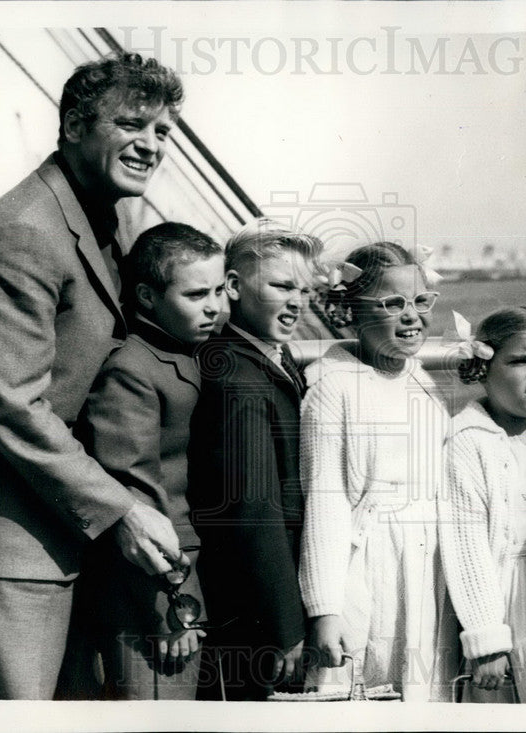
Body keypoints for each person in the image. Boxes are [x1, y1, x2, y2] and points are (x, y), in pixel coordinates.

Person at [0, 53, 188, 699]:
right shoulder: (23, 232)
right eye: (131, 124)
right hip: (1, 539)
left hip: (56, 529)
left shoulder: (97, 216)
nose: (150, 145)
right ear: (73, 125)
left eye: (162, 131)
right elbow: (11, 403)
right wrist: (121, 509)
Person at [67, 222, 225, 700]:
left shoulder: (180, 354)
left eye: (220, 290)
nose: (214, 306)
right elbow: (140, 500)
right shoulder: (131, 370)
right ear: (147, 297)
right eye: (196, 294)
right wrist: (174, 608)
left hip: (178, 585)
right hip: (155, 598)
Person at [298, 241, 458, 702]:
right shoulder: (333, 389)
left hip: (424, 562)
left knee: (423, 687)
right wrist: (325, 609)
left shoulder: (420, 380)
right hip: (369, 564)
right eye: (392, 304)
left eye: (421, 301)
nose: (412, 316)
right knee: (365, 682)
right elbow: (326, 501)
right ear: (351, 309)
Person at [187, 218, 323, 701]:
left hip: (263, 594)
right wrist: (284, 623)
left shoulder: (264, 358)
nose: (297, 301)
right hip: (255, 608)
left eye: (303, 289)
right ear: (233, 287)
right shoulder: (237, 380)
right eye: (282, 285)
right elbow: (252, 509)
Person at [440, 306, 526, 703]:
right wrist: (487, 639)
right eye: (520, 361)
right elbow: (467, 547)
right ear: (482, 368)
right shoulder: (468, 440)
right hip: (506, 599)